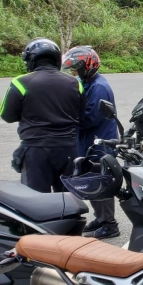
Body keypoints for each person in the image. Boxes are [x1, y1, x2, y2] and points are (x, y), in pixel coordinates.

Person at [1, 38, 83, 193]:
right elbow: (81, 114)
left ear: (31, 60)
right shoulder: (74, 83)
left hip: (36, 151)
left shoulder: (20, 82)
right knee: (69, 202)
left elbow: (7, 116)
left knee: (36, 204)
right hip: (68, 150)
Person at [62, 46, 120, 239]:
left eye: (76, 69)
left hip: (99, 142)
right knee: (89, 180)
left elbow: (89, 118)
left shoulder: (99, 87)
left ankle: (109, 225)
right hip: (89, 140)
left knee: (98, 182)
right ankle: (101, 217)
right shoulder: (88, 82)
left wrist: (63, 117)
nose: (74, 72)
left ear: (87, 66)